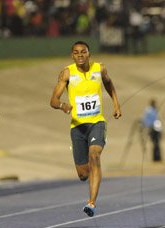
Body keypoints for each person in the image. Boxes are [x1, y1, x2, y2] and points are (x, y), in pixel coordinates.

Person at [50, 41, 122, 217]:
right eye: (76, 53)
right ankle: (93, 175)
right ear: (72, 56)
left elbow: (109, 83)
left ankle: (91, 203)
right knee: (83, 174)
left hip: (97, 123)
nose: (80, 55)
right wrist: (62, 105)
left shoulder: (100, 69)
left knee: (95, 155)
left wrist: (115, 103)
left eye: (83, 52)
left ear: (89, 53)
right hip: (77, 127)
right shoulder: (67, 73)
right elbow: (53, 100)